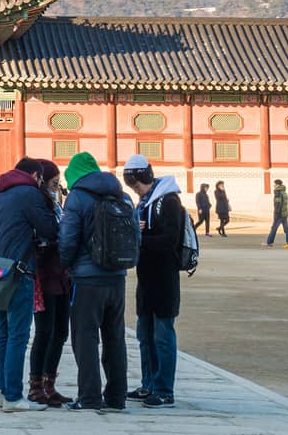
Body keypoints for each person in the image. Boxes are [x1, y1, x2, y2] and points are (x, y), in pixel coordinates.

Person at [59, 151, 137, 413]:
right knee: (115, 337)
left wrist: (66, 264)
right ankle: (116, 397)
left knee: (85, 337)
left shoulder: (77, 198)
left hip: (86, 278)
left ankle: (89, 396)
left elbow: (68, 240)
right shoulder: (123, 196)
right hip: (117, 277)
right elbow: (136, 235)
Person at [0, 157, 58, 411]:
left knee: (2, 334)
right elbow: (48, 229)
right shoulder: (29, 194)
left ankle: (5, 392)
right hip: (20, 271)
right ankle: (14, 396)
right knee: (18, 334)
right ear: (36, 175)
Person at [124, 154, 183, 409]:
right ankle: (148, 383)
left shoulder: (169, 201)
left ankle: (164, 389)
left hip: (164, 277)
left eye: (136, 184)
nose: (135, 190)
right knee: (144, 334)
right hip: (146, 277)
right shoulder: (145, 202)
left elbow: (171, 240)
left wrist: (140, 236)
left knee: (163, 334)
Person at [27, 161, 70, 407]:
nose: (57, 186)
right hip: (45, 275)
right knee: (45, 332)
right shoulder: (38, 203)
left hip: (62, 275)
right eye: (54, 182)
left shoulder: (55, 203)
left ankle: (49, 384)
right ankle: (35, 386)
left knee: (61, 332)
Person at [265, 179, 288, 248]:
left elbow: (278, 204)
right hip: (284, 214)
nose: (273, 185)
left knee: (274, 228)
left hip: (279, 214)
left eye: (274, 184)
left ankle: (269, 242)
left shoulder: (278, 192)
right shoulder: (284, 192)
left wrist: (276, 214)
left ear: (277, 184)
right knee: (286, 229)